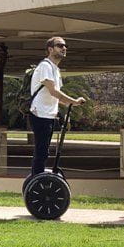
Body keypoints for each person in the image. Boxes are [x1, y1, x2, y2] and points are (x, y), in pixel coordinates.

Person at [28, 37, 87, 177]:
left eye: (65, 46)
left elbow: (56, 97)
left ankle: (37, 179)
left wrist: (66, 111)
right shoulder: (45, 66)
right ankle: (36, 180)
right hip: (39, 114)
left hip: (48, 115)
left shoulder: (55, 69)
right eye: (60, 45)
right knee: (41, 151)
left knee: (44, 151)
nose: (64, 48)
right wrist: (74, 101)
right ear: (50, 49)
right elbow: (53, 91)